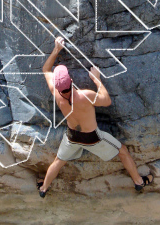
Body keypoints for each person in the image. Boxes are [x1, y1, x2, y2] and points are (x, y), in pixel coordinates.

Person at [37, 36, 154, 197]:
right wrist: (97, 80)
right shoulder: (85, 95)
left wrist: (56, 49)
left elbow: (45, 69)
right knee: (123, 151)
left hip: (71, 136)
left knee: (59, 161)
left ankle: (43, 188)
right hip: (93, 138)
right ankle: (139, 182)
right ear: (71, 80)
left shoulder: (55, 93)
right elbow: (106, 101)